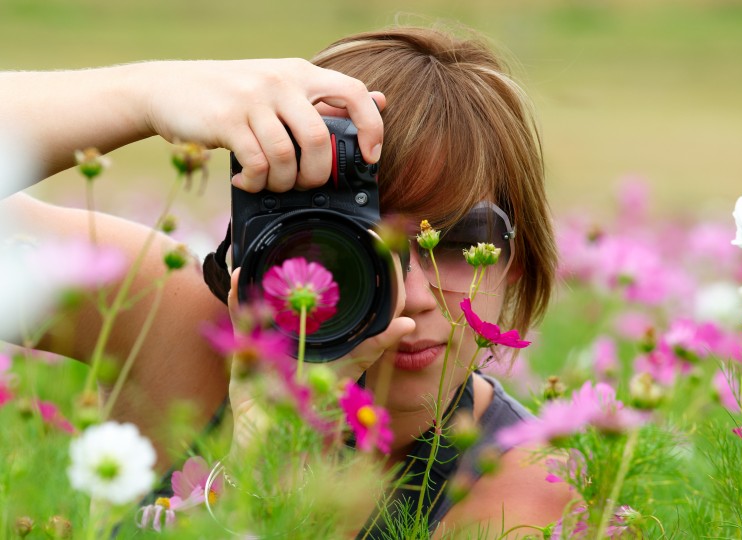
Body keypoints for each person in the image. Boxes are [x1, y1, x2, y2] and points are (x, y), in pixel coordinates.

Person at [0, 25, 572, 538]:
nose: (411, 295)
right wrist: (149, 94)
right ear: (273, 239)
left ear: (515, 258)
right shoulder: (166, 320)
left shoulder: (530, 492)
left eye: (456, 242)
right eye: (361, 244)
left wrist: (267, 459)